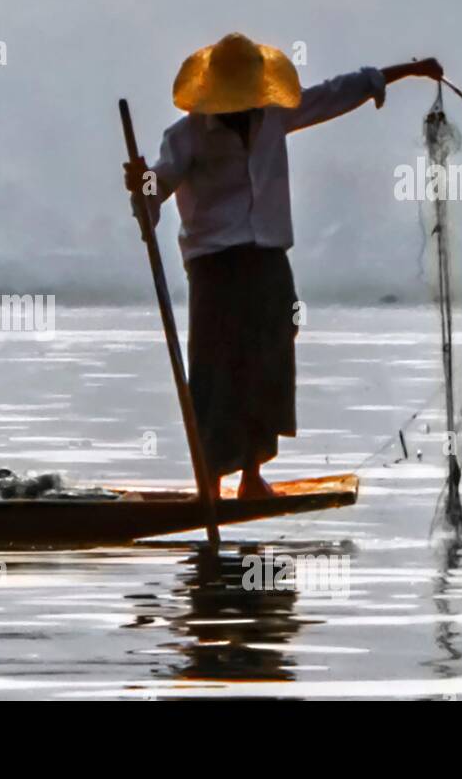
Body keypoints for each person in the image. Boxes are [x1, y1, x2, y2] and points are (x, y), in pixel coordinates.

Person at [123, 33, 442, 499]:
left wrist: (405, 72)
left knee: (268, 359)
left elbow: (336, 92)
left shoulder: (275, 115)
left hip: (267, 257)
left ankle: (252, 475)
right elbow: (159, 188)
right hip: (214, 263)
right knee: (214, 367)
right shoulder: (188, 134)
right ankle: (210, 483)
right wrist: (143, 183)